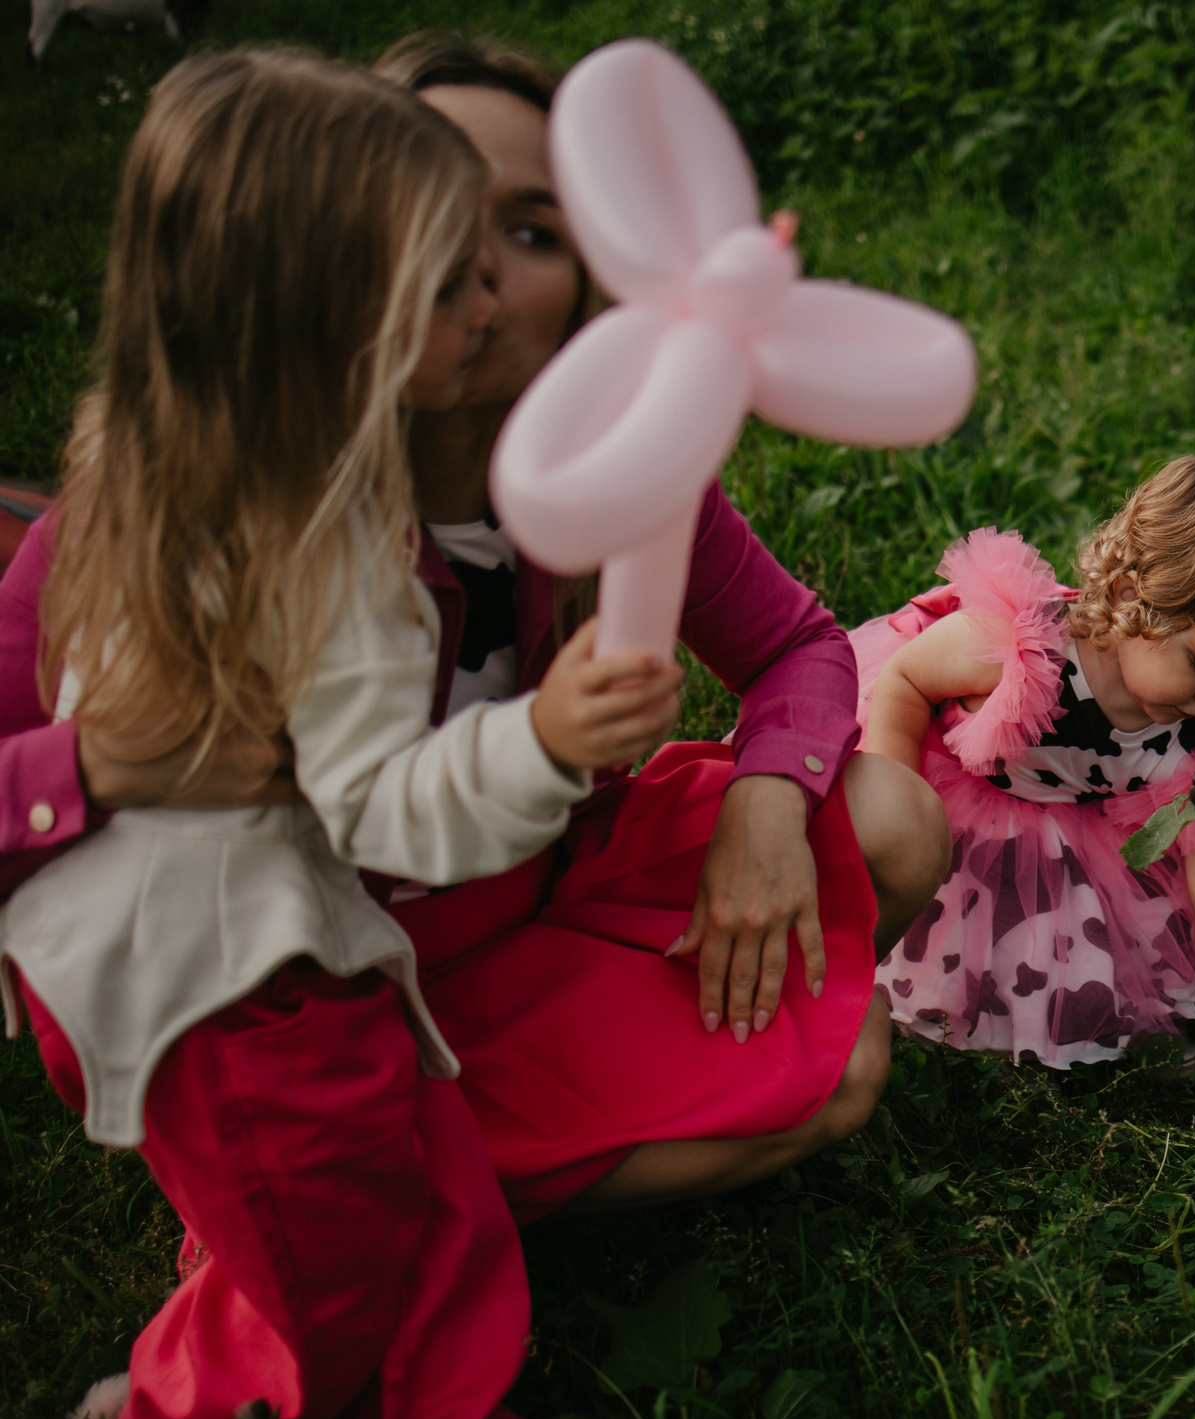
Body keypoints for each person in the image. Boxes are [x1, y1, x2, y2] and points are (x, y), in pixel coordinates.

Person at [0, 33, 954, 1221]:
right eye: (435, 222)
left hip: (552, 886)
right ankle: (337, 1190)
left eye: (531, 229)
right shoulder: (190, 510)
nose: (482, 276)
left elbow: (800, 647)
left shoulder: (626, 463)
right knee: (829, 1070)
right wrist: (94, 765)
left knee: (890, 829)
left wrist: (768, 801)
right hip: (323, 978)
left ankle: (415, 1174)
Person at [8, 49, 681, 1419]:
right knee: (329, 1263)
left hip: (292, 942)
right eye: (445, 283)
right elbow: (386, 804)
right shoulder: (330, 549)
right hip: (222, 982)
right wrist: (548, 740)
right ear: (321, 313)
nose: (488, 304)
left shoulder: (195, 467)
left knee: (437, 1225)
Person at [854, 457, 1195, 1090]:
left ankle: (1058, 1025)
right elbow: (905, 680)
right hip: (949, 795)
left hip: (1069, 827)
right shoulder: (1020, 647)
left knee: (1081, 956)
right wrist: (892, 813)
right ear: (1132, 598)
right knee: (904, 909)